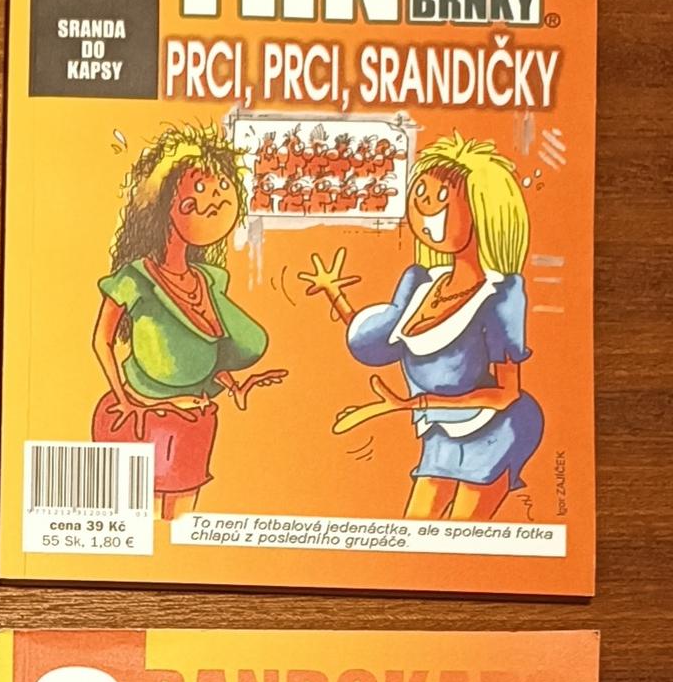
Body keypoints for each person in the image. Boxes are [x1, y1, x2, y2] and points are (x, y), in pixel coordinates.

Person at [306, 133, 543, 521]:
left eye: (441, 198)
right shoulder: (420, 283)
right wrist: (336, 296)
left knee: (461, 540)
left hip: (497, 433)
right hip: (439, 435)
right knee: (414, 531)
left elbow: (505, 394)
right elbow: (385, 337)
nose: (425, 207)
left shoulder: (500, 296)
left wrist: (414, 405)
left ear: (482, 212)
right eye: (421, 194)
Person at [90, 125, 286, 518]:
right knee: (135, 527)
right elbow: (102, 341)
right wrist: (125, 400)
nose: (215, 202)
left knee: (182, 528)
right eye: (200, 191)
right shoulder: (135, 278)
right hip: (140, 421)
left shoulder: (208, 281)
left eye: (223, 190)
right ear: (164, 203)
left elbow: (199, 349)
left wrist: (233, 382)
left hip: (195, 423)